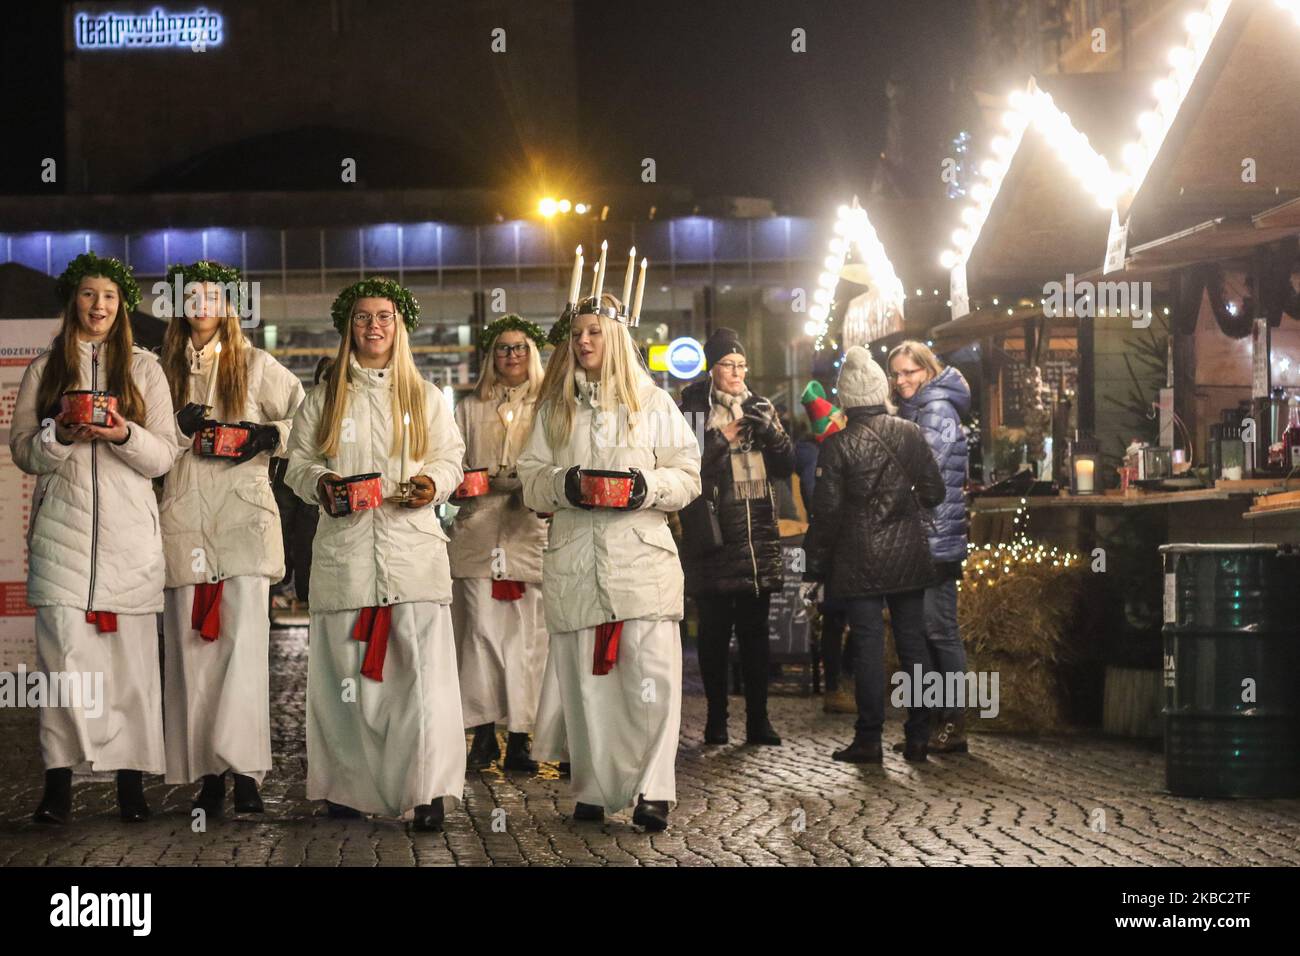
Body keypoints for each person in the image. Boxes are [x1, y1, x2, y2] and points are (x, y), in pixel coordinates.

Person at [285, 277, 466, 830]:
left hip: (412, 558)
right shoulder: (322, 398)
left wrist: (431, 484)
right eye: (363, 317)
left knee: (420, 682)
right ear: (349, 328)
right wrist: (322, 483)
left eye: (384, 316)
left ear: (399, 325)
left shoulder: (426, 396)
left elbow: (452, 458)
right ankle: (348, 788)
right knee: (347, 682)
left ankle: (428, 790)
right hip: (347, 558)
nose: (374, 327)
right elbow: (294, 463)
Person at [517, 288, 701, 831]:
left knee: (649, 680)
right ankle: (595, 786)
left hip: (641, 563)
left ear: (617, 337)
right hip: (577, 564)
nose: (584, 341)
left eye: (595, 331)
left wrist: (643, 487)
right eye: (576, 334)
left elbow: (687, 474)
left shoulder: (654, 403)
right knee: (587, 684)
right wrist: (564, 484)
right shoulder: (554, 409)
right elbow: (530, 480)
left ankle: (652, 790)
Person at [11, 253, 178, 824]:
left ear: (121, 304)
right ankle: (58, 789)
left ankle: (132, 789)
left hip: (129, 544)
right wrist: (59, 433)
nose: (99, 305)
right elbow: (23, 452)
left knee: (131, 670)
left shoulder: (145, 368)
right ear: (73, 300)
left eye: (108, 295)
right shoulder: (44, 370)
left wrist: (122, 432)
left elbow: (163, 456)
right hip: (63, 542)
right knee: (63, 669)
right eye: (88, 294)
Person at [158, 260, 305, 816]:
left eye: (213, 296)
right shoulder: (158, 368)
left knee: (243, 653)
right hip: (182, 522)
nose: (202, 304)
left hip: (243, 524)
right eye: (190, 295)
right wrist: (177, 427)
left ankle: (246, 771)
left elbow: (309, 420)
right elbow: (144, 439)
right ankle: (206, 774)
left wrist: (267, 435)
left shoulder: (256, 364)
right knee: (193, 654)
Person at [803, 346, 944, 763]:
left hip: (858, 559)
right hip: (908, 556)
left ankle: (869, 739)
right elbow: (934, 493)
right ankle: (919, 733)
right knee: (913, 644)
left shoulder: (837, 446)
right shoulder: (910, 433)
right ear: (880, 390)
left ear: (845, 397)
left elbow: (826, 514)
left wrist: (813, 566)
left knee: (866, 646)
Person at [677, 327, 791, 746]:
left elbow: (786, 464)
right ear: (713, 367)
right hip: (713, 537)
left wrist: (772, 433)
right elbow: (682, 461)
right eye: (729, 364)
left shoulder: (760, 406)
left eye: (742, 365)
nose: (738, 372)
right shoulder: (691, 404)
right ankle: (716, 719)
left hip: (756, 535)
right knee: (712, 635)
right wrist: (721, 439)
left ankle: (759, 721)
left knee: (755, 635)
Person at [449, 314, 550, 772]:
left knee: (527, 640)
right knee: (478, 636)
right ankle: (483, 732)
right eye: (504, 348)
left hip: (528, 538)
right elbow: (449, 464)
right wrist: (477, 480)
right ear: (492, 356)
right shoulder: (469, 409)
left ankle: (522, 735)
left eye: (520, 347)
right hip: (477, 535)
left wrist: (531, 484)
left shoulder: (550, 406)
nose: (512, 356)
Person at [888, 340, 972, 753]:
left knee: (940, 630)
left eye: (910, 372)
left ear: (927, 370)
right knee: (927, 630)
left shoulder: (935, 409)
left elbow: (925, 471)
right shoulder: (917, 408)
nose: (902, 380)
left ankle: (955, 723)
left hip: (937, 537)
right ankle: (941, 718)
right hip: (926, 535)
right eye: (897, 373)